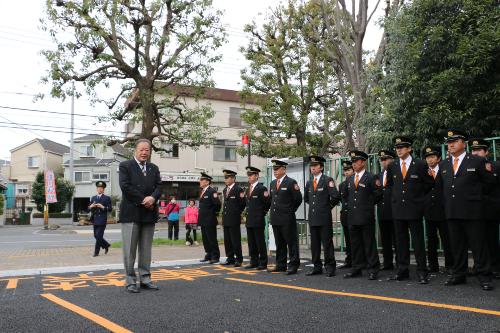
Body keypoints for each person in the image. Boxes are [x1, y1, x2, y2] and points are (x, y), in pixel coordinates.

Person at [441, 131, 494, 291]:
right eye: (449, 142)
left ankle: (484, 276)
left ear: (464, 143)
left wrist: (474, 197)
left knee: (478, 245)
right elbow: (442, 187)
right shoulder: (444, 164)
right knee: (457, 246)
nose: (451, 144)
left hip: (472, 211)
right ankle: (459, 274)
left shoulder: (477, 161)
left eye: (455, 141)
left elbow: (489, 183)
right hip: (452, 211)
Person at [387, 136, 433, 284]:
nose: (399, 150)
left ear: (409, 149)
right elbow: (390, 185)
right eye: (397, 148)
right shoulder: (392, 165)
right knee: (401, 242)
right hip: (398, 209)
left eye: (402, 147)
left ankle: (422, 271)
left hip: (415, 209)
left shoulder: (419, 164)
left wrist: (419, 200)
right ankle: (403, 270)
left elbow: (429, 184)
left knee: (418, 242)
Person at [119, 138, 162, 293]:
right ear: (135, 151)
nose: (144, 152)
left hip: (149, 213)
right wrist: (143, 199)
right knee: (129, 250)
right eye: (141, 150)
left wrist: (153, 198)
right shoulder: (125, 166)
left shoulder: (154, 168)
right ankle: (130, 280)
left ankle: (145, 278)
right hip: (131, 213)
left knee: (146, 249)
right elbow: (125, 186)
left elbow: (159, 186)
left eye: (147, 150)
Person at [342, 150, 382, 280]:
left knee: (369, 243)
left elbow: (378, 195)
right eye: (352, 162)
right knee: (355, 244)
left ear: (363, 162)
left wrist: (367, 206)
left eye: (356, 161)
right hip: (353, 217)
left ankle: (373, 269)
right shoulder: (350, 179)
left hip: (365, 216)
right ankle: (357, 268)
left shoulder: (371, 177)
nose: (354, 164)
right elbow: (347, 196)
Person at [304, 155, 340, 277]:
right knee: (315, 244)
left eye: (315, 166)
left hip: (324, 218)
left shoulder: (327, 180)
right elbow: (307, 199)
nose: (313, 168)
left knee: (327, 243)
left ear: (321, 167)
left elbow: (335, 196)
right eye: (311, 166)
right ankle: (316, 266)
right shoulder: (309, 182)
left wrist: (327, 207)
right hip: (313, 218)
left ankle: (330, 267)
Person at [469, 138, 500, 280]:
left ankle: (494, 267)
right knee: (476, 240)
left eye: (479, 150)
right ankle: (478, 266)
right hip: (474, 209)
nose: (475, 153)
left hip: (491, 209)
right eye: (473, 150)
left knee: (491, 239)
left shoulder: (495, 166)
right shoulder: (467, 166)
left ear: (486, 152)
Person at [422, 145, 453, 273]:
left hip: (443, 210)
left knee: (447, 239)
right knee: (431, 240)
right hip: (429, 210)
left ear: (439, 158)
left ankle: (450, 265)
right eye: (428, 157)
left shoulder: (446, 169)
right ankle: (433, 265)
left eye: (433, 156)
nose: (430, 160)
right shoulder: (423, 172)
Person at [269, 159, 302, 275]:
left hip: (287, 218)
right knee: (279, 243)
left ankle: (293, 265)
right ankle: (281, 264)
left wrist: (290, 210)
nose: (275, 171)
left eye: (277, 169)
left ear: (284, 169)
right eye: (274, 169)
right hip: (276, 218)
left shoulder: (291, 182)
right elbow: (271, 200)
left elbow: (298, 199)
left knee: (291, 243)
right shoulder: (273, 183)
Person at [244, 166, 271, 270]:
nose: (249, 177)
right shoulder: (248, 189)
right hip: (250, 219)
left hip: (258, 219)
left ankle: (263, 262)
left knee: (260, 242)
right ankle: (253, 261)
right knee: (251, 243)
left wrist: (262, 213)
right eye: (248, 175)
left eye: (251, 175)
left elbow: (267, 203)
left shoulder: (261, 188)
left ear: (256, 176)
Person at [377, 150, 397, 270]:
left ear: (392, 160)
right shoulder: (379, 175)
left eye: (386, 159)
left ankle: (400, 263)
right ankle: (387, 263)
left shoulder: (397, 173)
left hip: (394, 211)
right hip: (383, 211)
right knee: (385, 240)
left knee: (397, 240)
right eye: (382, 160)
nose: (383, 162)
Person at [221, 170, 246, 267]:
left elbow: (243, 203)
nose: (225, 180)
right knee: (227, 240)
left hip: (234, 218)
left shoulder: (238, 189)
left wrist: (236, 213)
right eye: (225, 178)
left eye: (227, 178)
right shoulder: (224, 190)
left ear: (233, 178)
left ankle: (239, 259)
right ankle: (230, 257)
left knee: (235, 240)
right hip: (226, 218)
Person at [198, 172, 222, 264]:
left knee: (211, 238)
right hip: (203, 219)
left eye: (202, 180)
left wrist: (212, 215)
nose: (200, 181)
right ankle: (208, 254)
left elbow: (217, 205)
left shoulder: (212, 191)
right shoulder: (203, 191)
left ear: (207, 182)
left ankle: (215, 256)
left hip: (210, 219)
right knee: (205, 239)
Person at [89, 181, 112, 257]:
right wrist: (91, 207)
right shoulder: (93, 198)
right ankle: (106, 245)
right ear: (97, 189)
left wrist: (103, 207)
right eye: (98, 188)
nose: (99, 189)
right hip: (95, 219)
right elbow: (89, 208)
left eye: (101, 188)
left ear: (103, 189)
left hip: (102, 220)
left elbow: (110, 209)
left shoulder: (107, 198)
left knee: (99, 236)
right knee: (95, 236)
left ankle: (96, 252)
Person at [338, 160, 354, 269]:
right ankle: (349, 260)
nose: (346, 172)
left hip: (355, 214)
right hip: (345, 214)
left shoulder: (355, 182)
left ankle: (360, 260)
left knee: (356, 239)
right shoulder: (341, 185)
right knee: (348, 240)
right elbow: (341, 199)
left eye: (348, 170)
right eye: (345, 170)